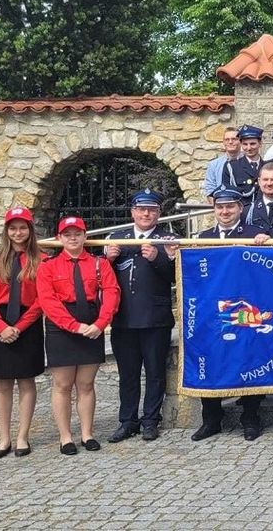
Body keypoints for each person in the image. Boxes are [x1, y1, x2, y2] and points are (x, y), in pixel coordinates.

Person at [191, 187, 271, 442]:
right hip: (212, 312)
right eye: (220, 207)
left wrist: (266, 245)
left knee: (248, 359)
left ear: (240, 208)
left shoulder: (253, 235)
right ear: (214, 209)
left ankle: (250, 417)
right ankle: (211, 419)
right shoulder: (202, 237)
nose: (225, 212)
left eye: (230, 207)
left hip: (244, 309)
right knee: (212, 361)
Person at [37, 216, 121, 455]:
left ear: (85, 236)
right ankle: (65, 437)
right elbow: (48, 301)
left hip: (92, 322)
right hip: (61, 326)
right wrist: (73, 326)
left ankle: (87, 433)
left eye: (77, 233)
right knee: (62, 384)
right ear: (59, 238)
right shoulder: (48, 266)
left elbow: (112, 292)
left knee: (86, 384)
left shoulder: (99, 263)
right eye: (67, 234)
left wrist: (101, 323)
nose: (73, 238)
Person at [104, 190, 177, 443]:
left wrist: (159, 259)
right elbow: (101, 278)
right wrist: (108, 260)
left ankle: (150, 420)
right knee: (128, 374)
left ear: (159, 213)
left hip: (155, 318)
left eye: (152, 210)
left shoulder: (167, 238)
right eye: (141, 209)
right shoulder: (118, 238)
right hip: (124, 318)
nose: (146, 214)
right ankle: (127, 421)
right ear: (133, 212)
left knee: (155, 372)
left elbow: (177, 277)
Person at [0, 206, 45, 458]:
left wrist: (19, 326)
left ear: (30, 230)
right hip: (0, 323)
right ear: (7, 231)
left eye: (22, 227)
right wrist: (0, 327)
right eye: (13, 228)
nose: (18, 233)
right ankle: (4, 438)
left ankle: (22, 436)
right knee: (3, 383)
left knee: (26, 381)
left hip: (27, 323)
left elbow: (41, 300)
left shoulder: (41, 260)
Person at [225, 125, 265, 203]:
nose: (249, 148)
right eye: (245, 144)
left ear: (260, 143)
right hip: (242, 212)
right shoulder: (232, 167)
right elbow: (228, 195)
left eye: (252, 144)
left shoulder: (268, 167)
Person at [203, 127, 240, 197]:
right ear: (223, 142)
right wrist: (219, 206)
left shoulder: (248, 162)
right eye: (227, 139)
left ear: (240, 141)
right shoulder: (214, 165)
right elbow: (210, 189)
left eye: (234, 139)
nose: (230, 142)